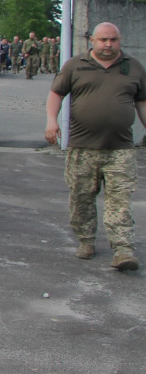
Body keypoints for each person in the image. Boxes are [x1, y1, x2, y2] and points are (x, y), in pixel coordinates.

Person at [46, 22, 145, 272]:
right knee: (81, 197)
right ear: (92, 40)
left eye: (113, 40)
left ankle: (123, 249)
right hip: (82, 148)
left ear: (119, 40)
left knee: (119, 200)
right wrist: (51, 121)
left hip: (120, 149)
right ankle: (86, 240)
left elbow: (142, 102)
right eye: (103, 40)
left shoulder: (133, 67)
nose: (108, 45)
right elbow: (56, 94)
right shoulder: (75, 65)